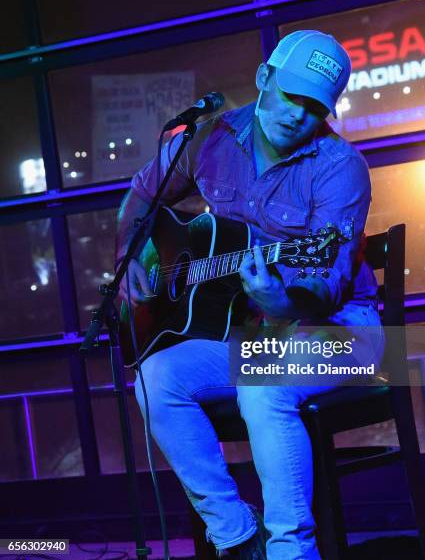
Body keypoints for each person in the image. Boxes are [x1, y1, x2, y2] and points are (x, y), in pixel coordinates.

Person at [116, 30, 384, 559]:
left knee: (262, 386)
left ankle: (291, 550)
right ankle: (237, 536)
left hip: (345, 332)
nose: (298, 116)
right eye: (291, 96)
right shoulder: (209, 140)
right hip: (250, 335)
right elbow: (143, 194)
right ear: (264, 79)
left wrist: (281, 301)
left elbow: (328, 281)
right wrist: (132, 263)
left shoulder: (339, 168)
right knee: (156, 378)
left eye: (315, 107)